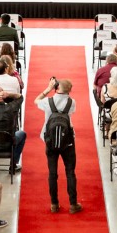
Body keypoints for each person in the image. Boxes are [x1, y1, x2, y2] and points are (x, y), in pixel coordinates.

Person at [37, 76, 81, 214]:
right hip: (67, 141)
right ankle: (73, 204)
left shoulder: (48, 101)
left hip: (50, 140)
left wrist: (48, 89)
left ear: (56, 88)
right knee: (70, 172)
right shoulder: (72, 102)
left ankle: (54, 204)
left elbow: (36, 100)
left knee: (52, 173)